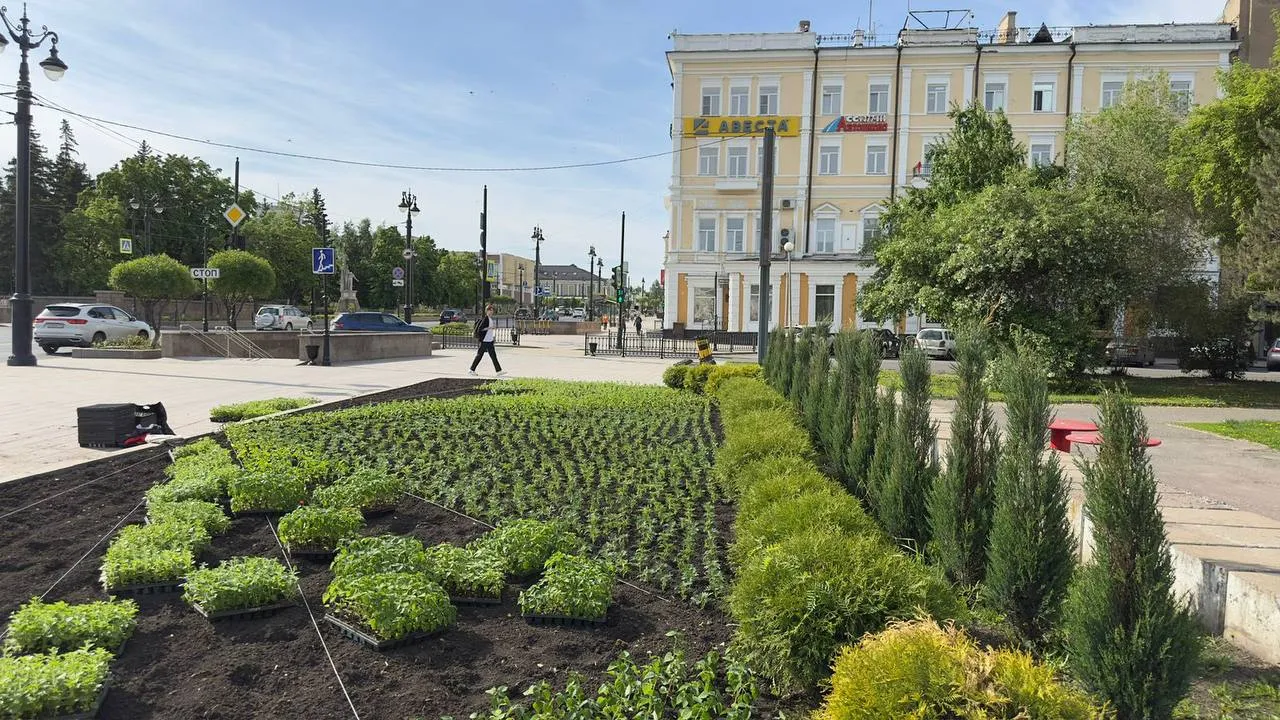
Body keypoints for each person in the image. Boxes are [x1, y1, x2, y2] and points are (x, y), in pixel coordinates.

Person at [469, 304, 505, 376]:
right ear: (487, 311)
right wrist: (490, 328)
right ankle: (471, 370)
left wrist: (492, 328)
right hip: (485, 341)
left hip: (489, 341)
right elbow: (480, 329)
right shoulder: (485, 318)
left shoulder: (490, 319)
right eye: (490, 310)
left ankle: (499, 371)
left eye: (492, 310)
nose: (492, 312)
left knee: (493, 356)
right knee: (479, 355)